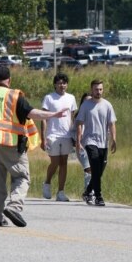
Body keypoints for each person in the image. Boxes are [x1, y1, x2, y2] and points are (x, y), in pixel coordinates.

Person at [0, 65, 67, 227]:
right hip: (12, 145)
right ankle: (14, 207)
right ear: (9, 80)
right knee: (22, 177)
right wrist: (53, 114)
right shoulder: (14, 96)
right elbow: (33, 114)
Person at [76, 79, 117, 207]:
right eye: (96, 89)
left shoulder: (107, 105)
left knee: (99, 171)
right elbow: (79, 123)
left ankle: (88, 191)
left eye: (100, 89)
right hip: (89, 140)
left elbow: (112, 123)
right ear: (91, 90)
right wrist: (78, 141)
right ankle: (98, 196)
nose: (98, 92)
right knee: (94, 166)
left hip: (103, 142)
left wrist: (114, 139)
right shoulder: (86, 105)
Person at [41, 73, 78, 202]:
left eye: (64, 83)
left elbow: (72, 118)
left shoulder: (71, 98)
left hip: (67, 135)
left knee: (64, 163)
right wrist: (43, 137)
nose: (62, 85)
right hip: (52, 134)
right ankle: (47, 182)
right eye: (59, 83)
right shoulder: (49, 98)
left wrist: (74, 135)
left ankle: (61, 192)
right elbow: (44, 118)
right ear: (55, 84)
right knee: (55, 162)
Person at [72, 93, 92, 194]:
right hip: (81, 145)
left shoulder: (94, 113)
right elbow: (73, 131)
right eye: (85, 101)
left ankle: (89, 190)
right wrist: (77, 142)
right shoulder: (78, 116)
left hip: (93, 144)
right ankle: (88, 191)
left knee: (94, 169)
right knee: (88, 168)